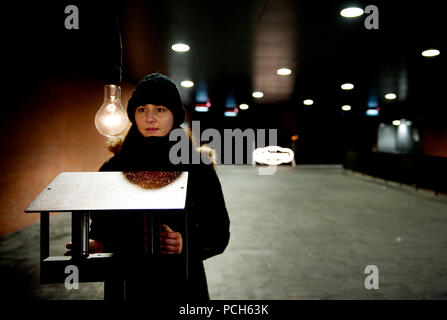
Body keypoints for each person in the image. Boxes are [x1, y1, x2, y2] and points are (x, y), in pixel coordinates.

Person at [66, 73, 230, 301]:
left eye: (160, 109)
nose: (149, 118)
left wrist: (185, 242)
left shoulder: (198, 168)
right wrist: (99, 243)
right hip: (125, 285)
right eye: (142, 109)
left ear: (175, 115)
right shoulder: (114, 167)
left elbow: (218, 232)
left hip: (180, 285)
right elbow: (102, 225)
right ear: (133, 114)